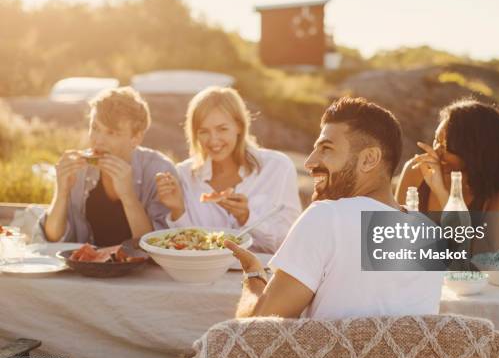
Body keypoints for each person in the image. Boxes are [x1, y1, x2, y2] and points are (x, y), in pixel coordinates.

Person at [225, 96, 445, 319]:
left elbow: (256, 332)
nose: (310, 162)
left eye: (326, 148)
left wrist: (253, 276)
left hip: (330, 355)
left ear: (369, 159)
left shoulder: (326, 217)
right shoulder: (431, 233)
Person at [155, 87, 302, 254]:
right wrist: (177, 210)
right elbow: (190, 248)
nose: (213, 140)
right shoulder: (184, 174)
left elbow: (291, 245)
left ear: (239, 126)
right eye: (204, 131)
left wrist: (247, 217)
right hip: (204, 276)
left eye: (222, 129)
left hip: (261, 275)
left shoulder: (278, 167)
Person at [36, 87, 177, 246]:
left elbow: (155, 247)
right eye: (95, 128)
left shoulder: (159, 171)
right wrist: (61, 191)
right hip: (86, 268)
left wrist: (128, 196)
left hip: (140, 270)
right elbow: (52, 237)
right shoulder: (79, 169)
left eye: (111, 133)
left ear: (136, 137)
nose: (98, 140)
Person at [395, 98, 499, 252]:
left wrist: (442, 193)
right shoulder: (416, 171)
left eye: (446, 147)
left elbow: (483, 255)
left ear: (474, 153)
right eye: (436, 140)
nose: (437, 152)